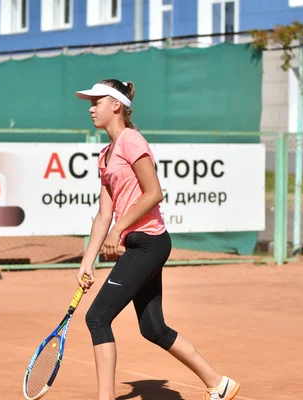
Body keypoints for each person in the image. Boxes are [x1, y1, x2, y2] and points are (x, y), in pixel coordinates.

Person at [74, 79, 241, 400]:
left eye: (97, 102)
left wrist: (118, 230)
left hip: (150, 242)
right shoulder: (105, 154)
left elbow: (154, 193)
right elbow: (102, 214)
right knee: (153, 328)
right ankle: (219, 383)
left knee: (97, 317)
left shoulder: (132, 141)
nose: (91, 108)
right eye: (90, 103)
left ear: (116, 106)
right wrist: (87, 260)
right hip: (137, 245)